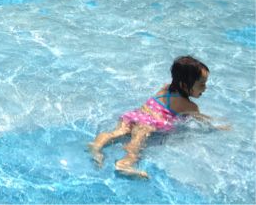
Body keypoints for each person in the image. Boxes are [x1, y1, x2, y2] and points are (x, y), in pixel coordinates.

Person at [88, 55, 229, 179]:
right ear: (184, 85)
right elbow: (202, 121)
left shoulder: (166, 88)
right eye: (202, 84)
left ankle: (96, 146)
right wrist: (217, 127)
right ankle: (124, 164)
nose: (205, 88)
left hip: (134, 115)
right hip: (147, 125)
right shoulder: (190, 106)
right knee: (137, 143)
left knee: (117, 132)